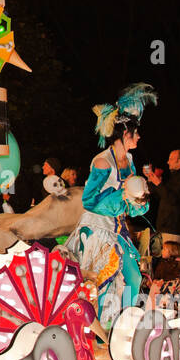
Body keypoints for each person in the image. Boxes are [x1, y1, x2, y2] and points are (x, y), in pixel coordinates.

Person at [72, 83, 157, 327]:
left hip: (118, 229)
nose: (139, 137)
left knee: (133, 275)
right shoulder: (101, 162)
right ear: (124, 134)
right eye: (136, 132)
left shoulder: (129, 160)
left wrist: (139, 202)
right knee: (103, 279)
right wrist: (122, 196)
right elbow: (89, 201)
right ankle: (95, 328)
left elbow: (129, 200)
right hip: (98, 230)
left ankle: (124, 325)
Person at [147, 148, 180, 248]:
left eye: (171, 159)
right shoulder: (173, 177)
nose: (168, 162)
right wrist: (151, 180)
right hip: (164, 227)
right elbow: (160, 196)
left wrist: (158, 183)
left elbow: (172, 199)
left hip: (173, 229)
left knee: (170, 261)